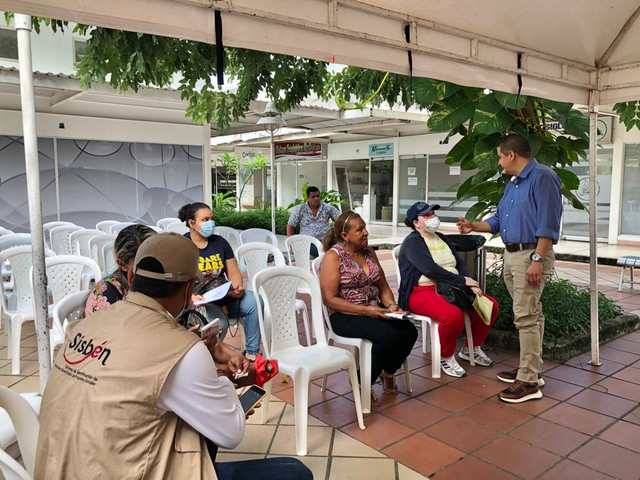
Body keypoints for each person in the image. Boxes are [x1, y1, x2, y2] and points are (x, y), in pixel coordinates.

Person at [35, 233, 312, 480]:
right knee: (296, 473)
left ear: (131, 278)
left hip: (61, 466)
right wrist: (222, 380)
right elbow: (231, 432)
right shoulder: (181, 350)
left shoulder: (81, 326)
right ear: (190, 289)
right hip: (122, 469)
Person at [457, 134, 562, 404]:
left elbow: (548, 223)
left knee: (525, 316)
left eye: (500, 156)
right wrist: (473, 226)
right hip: (512, 254)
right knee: (531, 314)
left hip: (530, 254)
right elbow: (498, 219)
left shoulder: (543, 177)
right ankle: (531, 369)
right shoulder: (514, 183)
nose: (499, 161)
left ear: (511, 154)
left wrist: (537, 260)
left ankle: (528, 380)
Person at [319, 210, 417, 406]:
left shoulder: (369, 253)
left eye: (365, 228)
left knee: (409, 331)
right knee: (387, 336)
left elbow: (383, 287)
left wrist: (392, 306)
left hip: (374, 309)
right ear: (345, 236)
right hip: (344, 314)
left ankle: (388, 372)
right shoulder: (333, 257)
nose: (366, 233)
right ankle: (361, 380)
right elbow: (329, 299)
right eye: (360, 229)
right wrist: (367, 311)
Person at [397, 202, 499, 378]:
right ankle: (446, 356)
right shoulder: (413, 242)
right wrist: (462, 281)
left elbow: (459, 263)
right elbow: (430, 269)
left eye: (433, 214)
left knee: (490, 306)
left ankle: (470, 348)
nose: (433, 218)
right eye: (427, 216)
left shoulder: (441, 237)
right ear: (416, 223)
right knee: (452, 316)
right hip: (422, 292)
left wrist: (469, 282)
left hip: (451, 287)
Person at [178, 202, 262, 361]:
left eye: (211, 218)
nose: (211, 223)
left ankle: (251, 354)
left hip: (222, 294)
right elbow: (177, 279)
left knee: (254, 301)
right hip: (200, 301)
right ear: (191, 223)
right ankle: (210, 361)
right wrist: (190, 298)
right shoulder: (182, 245)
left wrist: (238, 288)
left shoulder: (220, 243)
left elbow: (233, 271)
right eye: (205, 219)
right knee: (219, 324)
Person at [84, 223, 156, 317]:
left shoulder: (157, 283)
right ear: (122, 264)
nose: (154, 267)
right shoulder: (107, 294)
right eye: (145, 264)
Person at [287, 185, 340, 257]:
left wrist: (335, 234)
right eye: (313, 197)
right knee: (321, 252)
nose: (316, 198)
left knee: (339, 250)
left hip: (326, 240)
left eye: (318, 196)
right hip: (308, 242)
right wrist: (291, 246)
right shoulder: (300, 209)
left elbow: (340, 220)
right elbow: (290, 226)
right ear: (307, 198)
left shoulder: (328, 208)